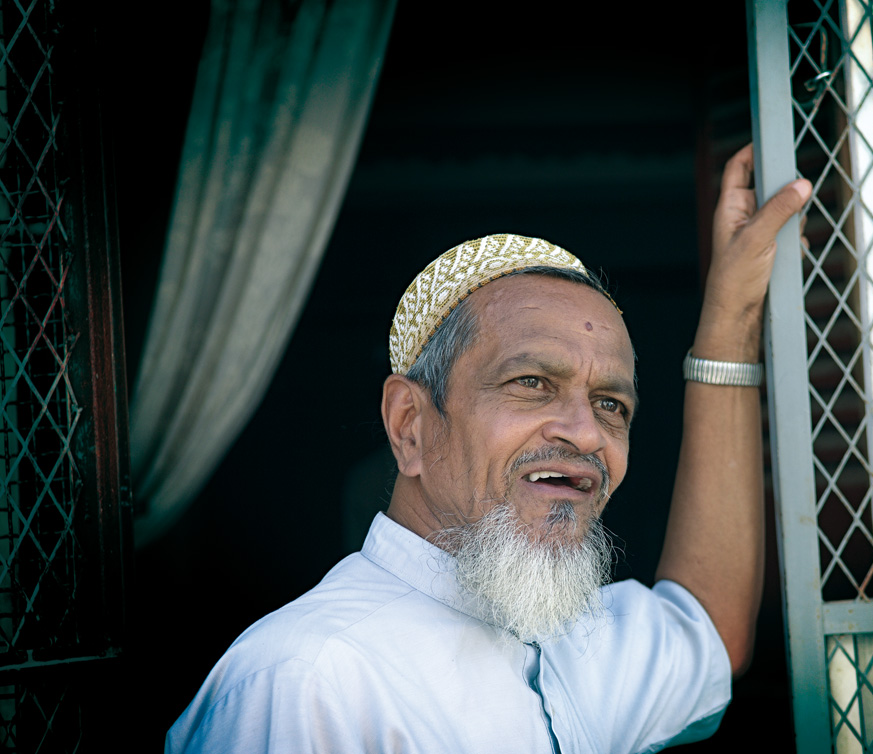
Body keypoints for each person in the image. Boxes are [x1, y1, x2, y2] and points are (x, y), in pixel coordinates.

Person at [164, 145, 811, 753]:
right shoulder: (307, 683)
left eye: (611, 405)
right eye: (531, 384)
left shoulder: (578, 645)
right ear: (410, 426)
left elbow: (708, 629)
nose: (586, 435)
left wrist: (731, 320)